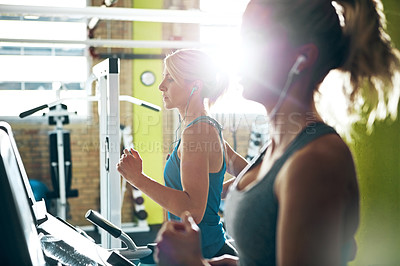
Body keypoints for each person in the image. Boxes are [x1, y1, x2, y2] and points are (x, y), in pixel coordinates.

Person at [154, 0, 400, 265]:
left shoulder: (317, 160)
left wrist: (193, 263)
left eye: (255, 37)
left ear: (302, 58)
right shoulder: (274, 150)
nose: (241, 52)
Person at [117, 48, 248, 259]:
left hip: (204, 253)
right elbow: (250, 173)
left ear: (195, 85)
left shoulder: (197, 132)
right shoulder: (203, 127)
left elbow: (192, 211)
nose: (161, 86)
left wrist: (137, 179)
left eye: (170, 79)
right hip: (204, 247)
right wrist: (213, 194)